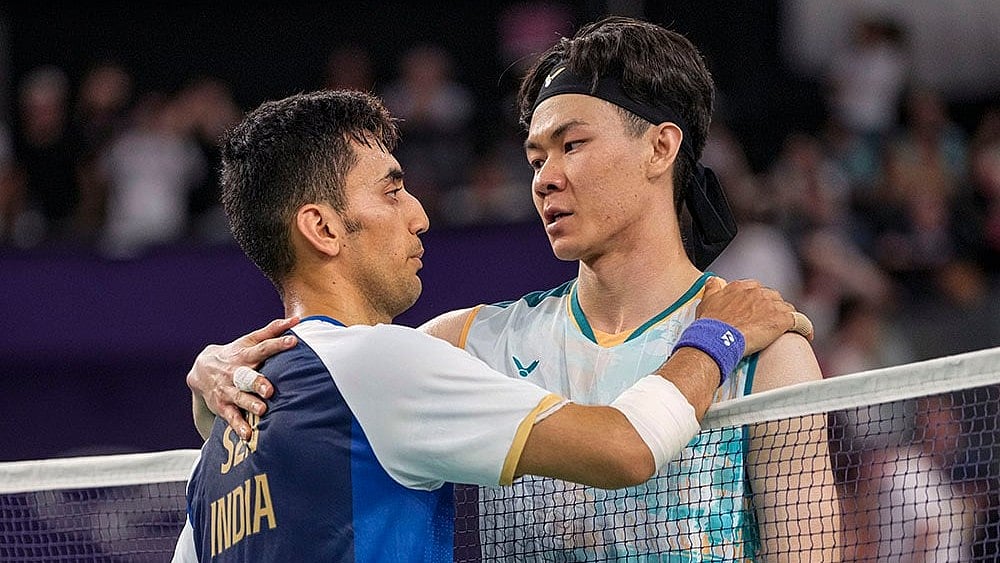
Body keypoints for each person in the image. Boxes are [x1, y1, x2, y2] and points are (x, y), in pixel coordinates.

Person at [186, 16, 839, 560]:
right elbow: (318, 398)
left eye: (572, 145)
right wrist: (214, 372)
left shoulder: (769, 357)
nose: (545, 177)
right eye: (535, 158)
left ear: (661, 147)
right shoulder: (466, 344)